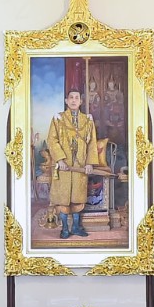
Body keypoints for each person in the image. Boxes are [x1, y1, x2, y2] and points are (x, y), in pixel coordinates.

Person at [47, 88, 99, 239]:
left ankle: (76, 227)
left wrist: (89, 163)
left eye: (77, 98)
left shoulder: (87, 120)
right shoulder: (58, 119)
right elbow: (52, 140)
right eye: (71, 97)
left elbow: (92, 143)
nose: (74, 100)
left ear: (81, 101)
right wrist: (60, 159)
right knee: (63, 198)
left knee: (78, 197)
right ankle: (64, 229)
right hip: (63, 166)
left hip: (80, 166)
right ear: (66, 101)